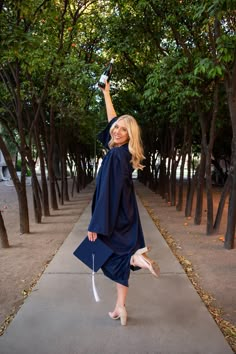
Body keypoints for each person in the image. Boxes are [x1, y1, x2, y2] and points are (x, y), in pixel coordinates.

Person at [87, 82, 159, 326]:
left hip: (115, 214)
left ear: (130, 136)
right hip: (126, 213)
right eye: (115, 128)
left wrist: (95, 224)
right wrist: (106, 93)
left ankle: (132, 259)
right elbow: (113, 119)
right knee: (112, 257)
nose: (116, 131)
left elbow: (107, 193)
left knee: (100, 253)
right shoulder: (123, 152)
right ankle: (120, 307)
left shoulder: (116, 156)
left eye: (122, 130)